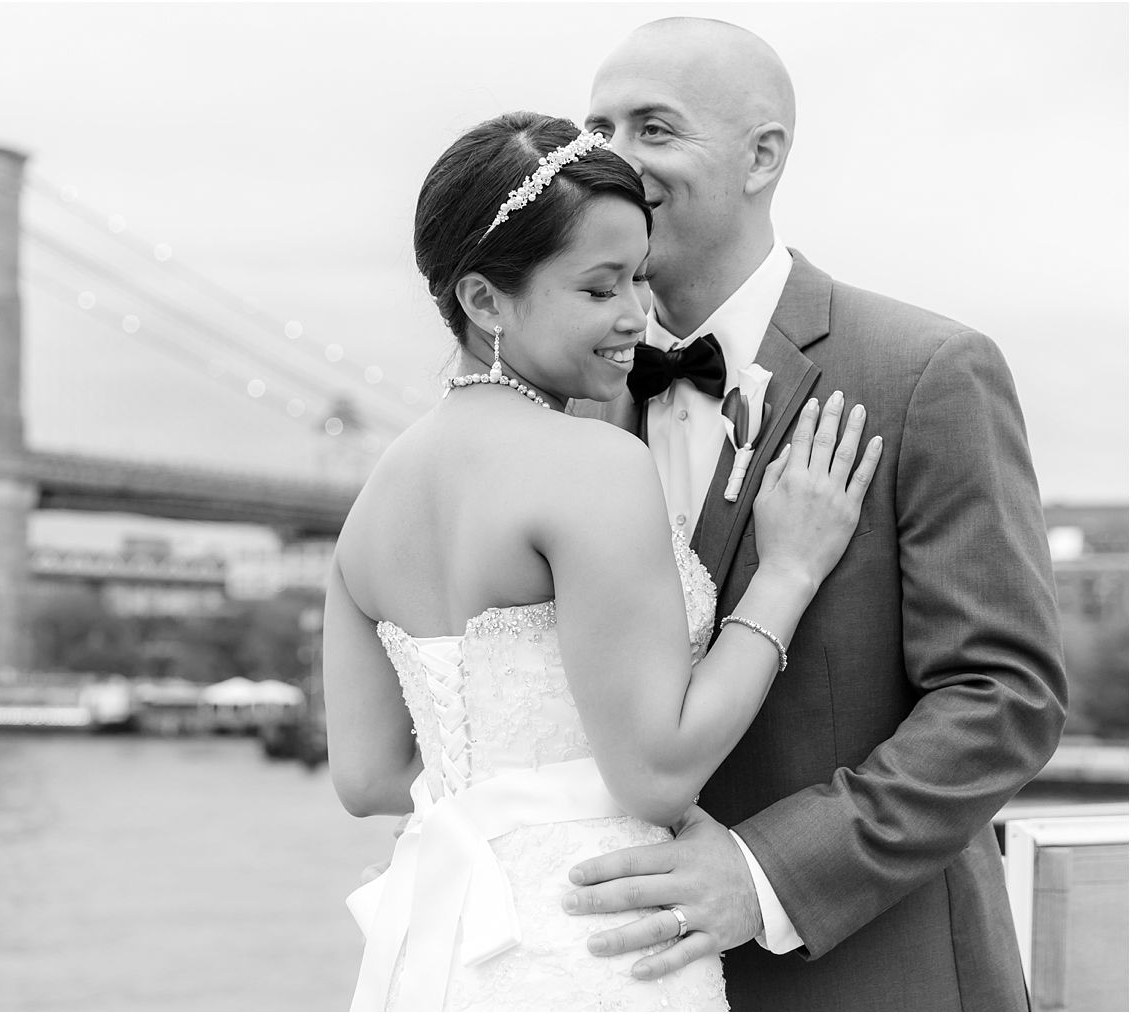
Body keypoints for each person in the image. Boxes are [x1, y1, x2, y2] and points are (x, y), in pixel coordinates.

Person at [323, 110, 882, 1011]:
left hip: (451, 952)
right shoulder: (592, 464)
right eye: (597, 289)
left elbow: (366, 779)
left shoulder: (372, 505)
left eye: (637, 276)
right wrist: (788, 572)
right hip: (609, 944)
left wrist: (516, 804)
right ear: (483, 301)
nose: (637, 316)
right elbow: (656, 772)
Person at [564, 18, 1068, 1011]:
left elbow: (1001, 697)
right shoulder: (575, 406)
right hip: (623, 977)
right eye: (596, 128)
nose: (611, 161)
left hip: (870, 976)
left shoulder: (924, 372)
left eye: (653, 128)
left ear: (762, 156)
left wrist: (760, 876)